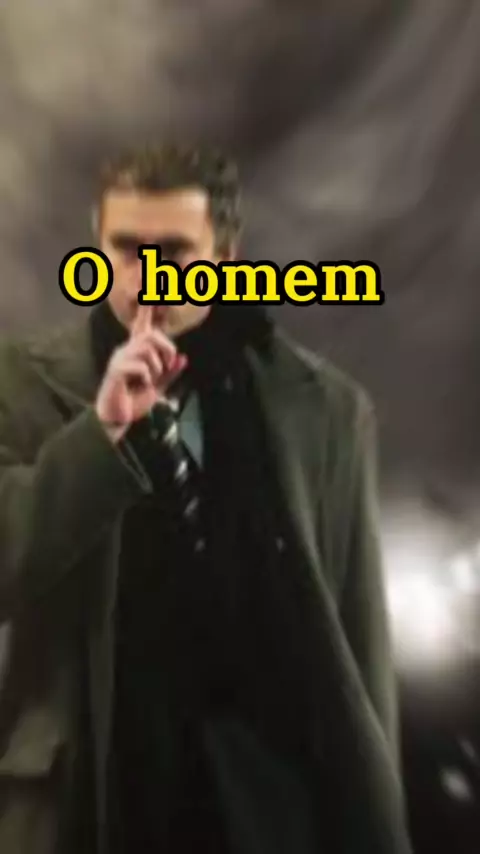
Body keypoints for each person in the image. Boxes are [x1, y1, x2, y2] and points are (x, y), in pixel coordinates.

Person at [0, 143, 412, 854]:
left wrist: (375, 823)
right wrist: (102, 436)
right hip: (90, 805)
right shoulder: (19, 385)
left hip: (269, 807)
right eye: (127, 250)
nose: (148, 277)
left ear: (226, 255)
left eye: (174, 253)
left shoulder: (326, 410)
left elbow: (359, 650)